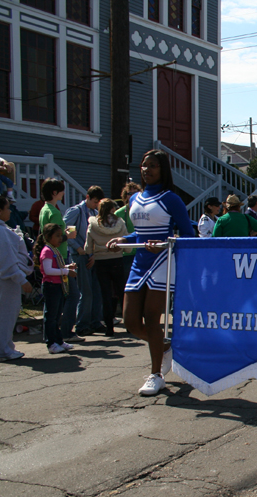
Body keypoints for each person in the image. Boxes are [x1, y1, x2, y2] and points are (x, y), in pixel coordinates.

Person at [107, 149, 195, 396]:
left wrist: (166, 241)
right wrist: (123, 238)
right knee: (131, 322)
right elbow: (141, 234)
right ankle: (165, 346)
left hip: (163, 263)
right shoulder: (135, 198)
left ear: (162, 169)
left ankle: (156, 374)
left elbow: (188, 235)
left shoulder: (171, 199)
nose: (147, 170)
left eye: (153, 165)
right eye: (144, 165)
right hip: (139, 262)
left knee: (151, 317)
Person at [38, 178, 79, 343]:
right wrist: (67, 235)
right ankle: (63, 333)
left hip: (57, 256)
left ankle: (53, 336)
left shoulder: (45, 209)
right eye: (61, 190)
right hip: (57, 256)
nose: (63, 193)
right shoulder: (53, 212)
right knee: (70, 295)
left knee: (54, 303)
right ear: (54, 193)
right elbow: (54, 236)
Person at [64, 185, 105, 338]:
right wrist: (78, 248)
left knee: (96, 290)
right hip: (79, 256)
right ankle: (82, 325)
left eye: (98, 203)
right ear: (87, 198)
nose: (96, 205)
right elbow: (67, 231)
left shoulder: (95, 213)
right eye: (94, 202)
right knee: (85, 292)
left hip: (92, 256)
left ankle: (95, 321)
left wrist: (94, 253)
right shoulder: (77, 211)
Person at [85, 199, 128, 337]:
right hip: (117, 259)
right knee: (122, 293)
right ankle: (128, 325)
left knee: (106, 294)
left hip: (101, 261)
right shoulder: (120, 223)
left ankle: (109, 328)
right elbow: (127, 244)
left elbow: (87, 248)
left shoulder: (93, 224)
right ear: (111, 209)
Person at [0, 194, 34, 361]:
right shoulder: (1, 233)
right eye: (7, 208)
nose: (10, 212)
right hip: (6, 282)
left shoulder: (3, 231)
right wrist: (22, 280)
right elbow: (7, 261)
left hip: (5, 279)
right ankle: (4, 349)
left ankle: (5, 347)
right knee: (6, 314)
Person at [33, 223, 77, 354]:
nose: (60, 238)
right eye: (57, 236)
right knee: (51, 316)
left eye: (60, 235)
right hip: (51, 286)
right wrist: (66, 272)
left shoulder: (54, 250)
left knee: (57, 315)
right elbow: (48, 270)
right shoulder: (47, 251)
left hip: (58, 286)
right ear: (48, 237)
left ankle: (59, 340)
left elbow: (56, 267)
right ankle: (51, 342)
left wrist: (68, 267)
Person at [115, 182, 143, 312]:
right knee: (127, 285)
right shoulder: (119, 213)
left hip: (141, 252)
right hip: (125, 254)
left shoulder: (143, 211)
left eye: (134, 193)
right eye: (129, 193)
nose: (131, 196)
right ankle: (127, 311)